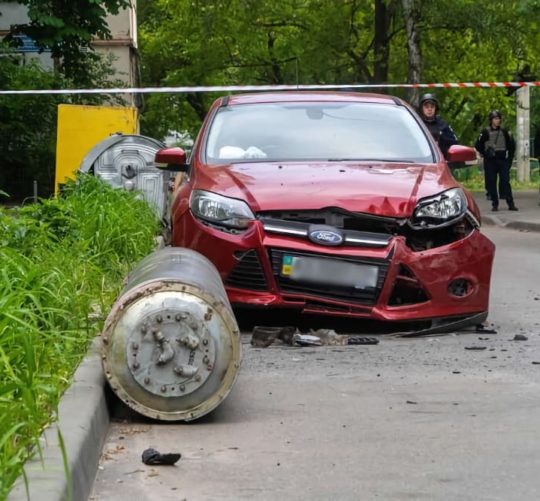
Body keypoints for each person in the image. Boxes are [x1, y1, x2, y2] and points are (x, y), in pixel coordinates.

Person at [475, 110, 518, 211]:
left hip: (502, 160)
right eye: (495, 119)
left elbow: (512, 145)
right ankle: (495, 203)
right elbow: (478, 145)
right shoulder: (485, 132)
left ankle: (510, 203)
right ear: (491, 120)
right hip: (490, 162)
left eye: (498, 118)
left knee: (505, 181)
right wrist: (485, 153)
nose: (497, 121)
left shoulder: (504, 131)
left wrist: (509, 160)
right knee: (491, 182)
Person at [418, 93, 458, 158]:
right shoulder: (416, 124)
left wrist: (441, 139)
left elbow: (455, 145)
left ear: (436, 109)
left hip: (440, 161)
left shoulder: (443, 125)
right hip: (420, 160)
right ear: (421, 109)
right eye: (426, 107)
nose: (429, 109)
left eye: (432, 107)